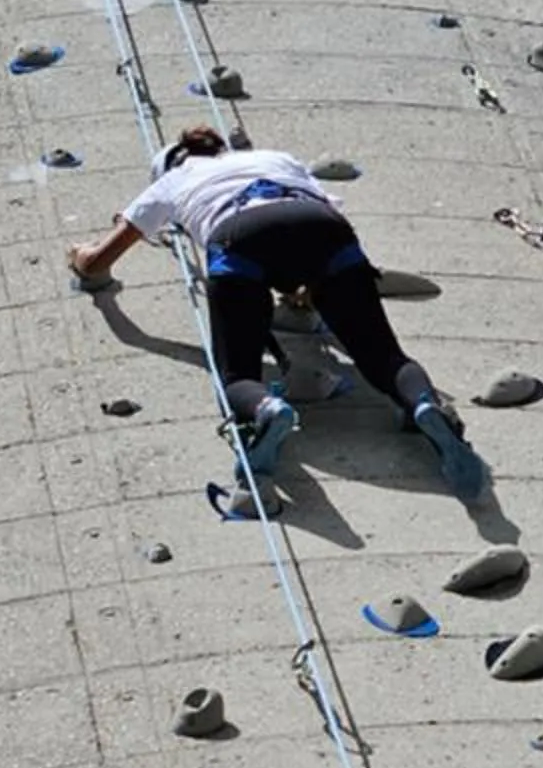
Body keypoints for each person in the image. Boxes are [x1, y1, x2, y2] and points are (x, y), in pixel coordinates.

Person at [65, 126, 488, 498]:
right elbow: (312, 218)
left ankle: (268, 409)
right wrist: (308, 288)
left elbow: (100, 262)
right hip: (323, 228)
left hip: (238, 238)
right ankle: (424, 405)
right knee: (384, 356)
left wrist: (79, 258)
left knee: (238, 376)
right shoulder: (275, 158)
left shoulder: (172, 182)